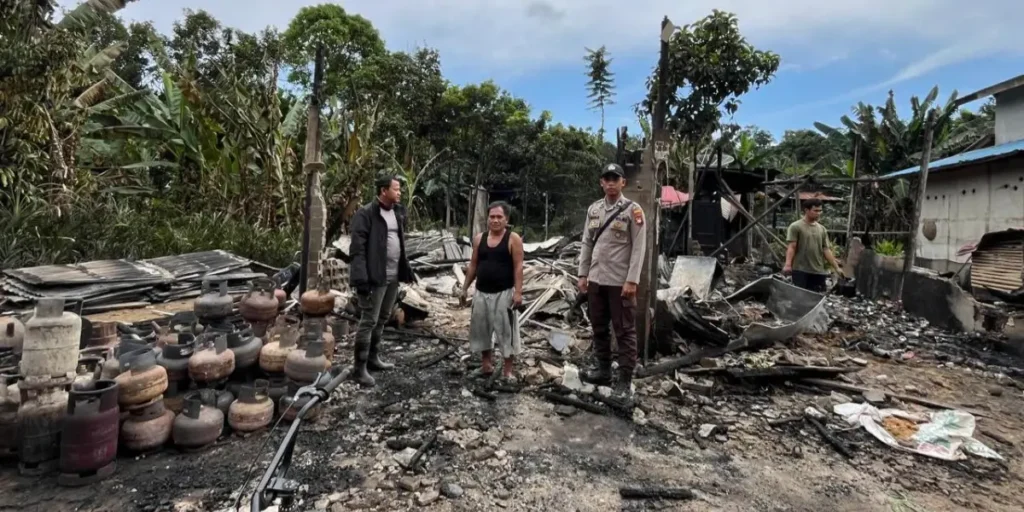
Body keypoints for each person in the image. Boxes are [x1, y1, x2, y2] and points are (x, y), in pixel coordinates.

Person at [577, 163, 646, 395]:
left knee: (625, 331)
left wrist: (632, 280)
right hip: (596, 280)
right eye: (606, 179)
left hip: (620, 282)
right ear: (601, 183)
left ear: (622, 183)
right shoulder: (593, 210)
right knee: (598, 327)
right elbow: (587, 242)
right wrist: (582, 274)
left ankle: (625, 379)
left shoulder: (632, 210)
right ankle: (603, 370)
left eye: (615, 179)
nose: (610, 183)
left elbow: (639, 248)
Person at [348, 175, 414, 387]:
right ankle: (359, 369)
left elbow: (400, 243)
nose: (400, 192)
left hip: (393, 276)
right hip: (376, 277)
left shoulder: (397, 212)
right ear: (383, 191)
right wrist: (361, 279)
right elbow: (357, 250)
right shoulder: (366, 214)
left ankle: (373, 358)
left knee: (384, 316)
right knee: (369, 320)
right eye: (396, 189)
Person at [460, 202, 524, 380]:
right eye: (492, 217)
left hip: (504, 293)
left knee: (506, 333)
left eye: (499, 217)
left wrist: (518, 292)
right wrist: (465, 288)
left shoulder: (513, 239)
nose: (495, 220)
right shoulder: (479, 238)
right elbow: (473, 265)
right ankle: (486, 365)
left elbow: (518, 267)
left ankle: (507, 371)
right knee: (482, 330)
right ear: (487, 218)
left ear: (506, 219)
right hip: (481, 292)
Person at [783, 198, 840, 293]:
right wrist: (788, 264)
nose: (818, 213)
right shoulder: (796, 226)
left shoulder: (822, 229)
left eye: (820, 211)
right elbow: (792, 247)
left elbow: (826, 250)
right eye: (815, 210)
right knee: (800, 296)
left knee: (817, 296)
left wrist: (837, 267)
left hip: (818, 270)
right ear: (806, 210)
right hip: (801, 270)